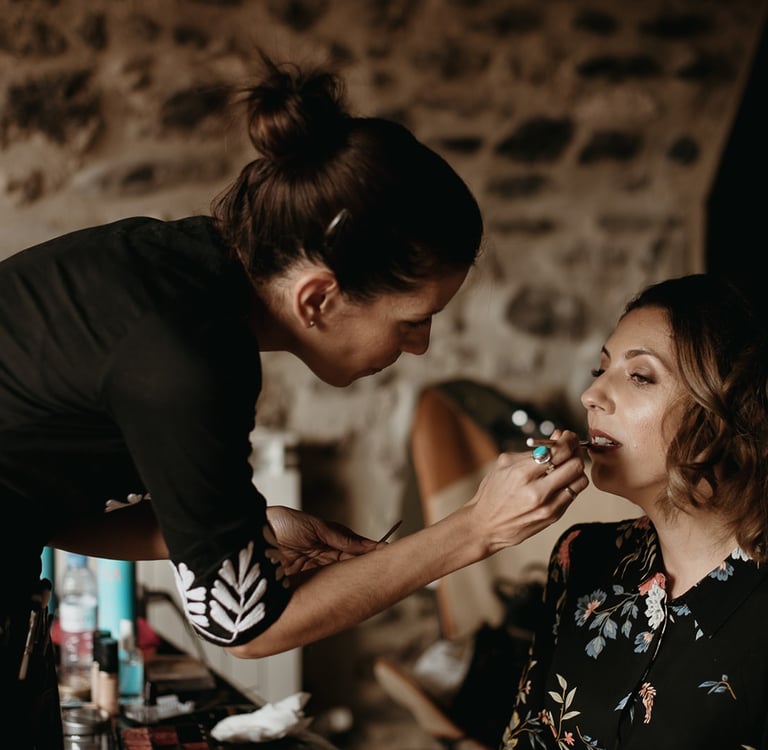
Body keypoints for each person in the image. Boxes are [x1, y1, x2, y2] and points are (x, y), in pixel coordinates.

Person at [0, 52, 589, 748]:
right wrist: (475, 530)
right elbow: (250, 629)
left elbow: (36, 501)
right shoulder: (190, 359)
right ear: (318, 297)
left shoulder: (174, 270)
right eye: (411, 319)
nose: (422, 346)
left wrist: (239, 530)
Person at [500, 274, 768, 750]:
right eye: (598, 372)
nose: (591, 397)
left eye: (639, 376)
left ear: (726, 409)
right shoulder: (580, 557)